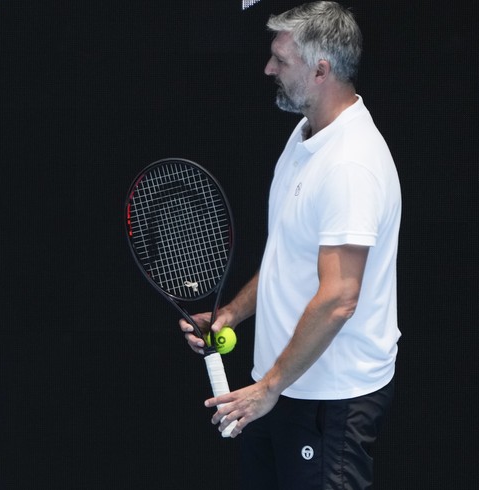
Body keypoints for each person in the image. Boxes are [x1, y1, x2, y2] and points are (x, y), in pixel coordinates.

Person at [179, 2, 400, 489]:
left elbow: (340, 298)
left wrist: (269, 388)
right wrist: (231, 314)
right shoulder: (304, 139)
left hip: (328, 401)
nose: (268, 68)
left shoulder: (350, 163)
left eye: (281, 59)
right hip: (278, 389)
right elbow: (285, 258)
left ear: (321, 69)